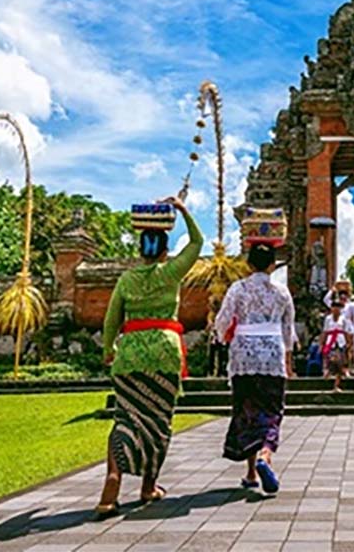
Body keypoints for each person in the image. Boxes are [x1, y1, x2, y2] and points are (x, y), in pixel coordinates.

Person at [96, 197, 201, 515]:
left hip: (129, 355)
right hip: (164, 354)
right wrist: (182, 210)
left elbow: (112, 319)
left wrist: (107, 350)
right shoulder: (171, 273)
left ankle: (112, 481)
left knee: (125, 418)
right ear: (165, 250)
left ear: (140, 249)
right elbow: (197, 242)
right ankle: (147, 486)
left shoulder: (127, 279)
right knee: (158, 422)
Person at [215, 242, 296, 494]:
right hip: (272, 353)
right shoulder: (282, 292)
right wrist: (288, 362)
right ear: (273, 265)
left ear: (249, 264)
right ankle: (264, 456)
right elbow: (288, 330)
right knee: (272, 410)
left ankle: (251, 472)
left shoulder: (237, 289)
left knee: (246, 409)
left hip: (243, 355)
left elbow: (223, 319)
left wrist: (221, 337)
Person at [321, 298, 354, 391]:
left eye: (338, 307)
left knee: (340, 361)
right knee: (332, 359)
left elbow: (346, 331)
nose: (336, 309)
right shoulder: (328, 319)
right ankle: (329, 371)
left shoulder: (344, 319)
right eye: (334, 307)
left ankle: (337, 384)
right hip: (330, 341)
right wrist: (322, 343)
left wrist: (349, 343)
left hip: (340, 341)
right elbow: (325, 331)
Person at [205, 296, 228, 377]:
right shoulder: (211, 314)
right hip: (214, 336)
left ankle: (219, 371)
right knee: (213, 354)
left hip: (219, 336)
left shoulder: (219, 314)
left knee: (220, 354)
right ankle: (212, 371)